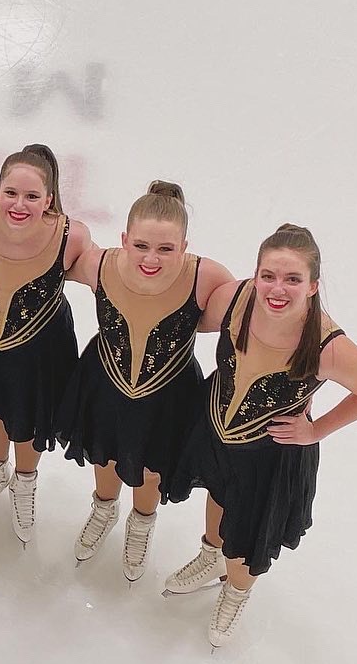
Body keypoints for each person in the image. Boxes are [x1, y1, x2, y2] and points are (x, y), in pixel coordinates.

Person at [164, 225, 357, 647]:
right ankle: (210, 556)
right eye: (269, 276)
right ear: (256, 274)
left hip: (272, 453)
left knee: (248, 530)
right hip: (217, 429)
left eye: (293, 279)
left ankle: (237, 590)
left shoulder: (327, 347)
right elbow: (188, 321)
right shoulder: (233, 299)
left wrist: (315, 430)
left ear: (313, 286)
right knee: (218, 494)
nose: (278, 289)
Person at [58, 181, 234, 579]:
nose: (151, 258)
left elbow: (247, 324)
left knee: (152, 466)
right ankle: (104, 508)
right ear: (124, 239)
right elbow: (44, 266)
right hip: (105, 381)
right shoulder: (99, 264)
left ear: (185, 247)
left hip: (169, 396)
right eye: (140, 246)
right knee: (104, 452)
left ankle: (141, 524)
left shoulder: (206, 277)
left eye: (166, 249)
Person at [0, 145, 93, 543]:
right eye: (11, 193)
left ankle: (25, 480)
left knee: (30, 413)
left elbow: (109, 279)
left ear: (49, 199)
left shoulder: (71, 236)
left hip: (40, 346)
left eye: (32, 196)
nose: (19, 204)